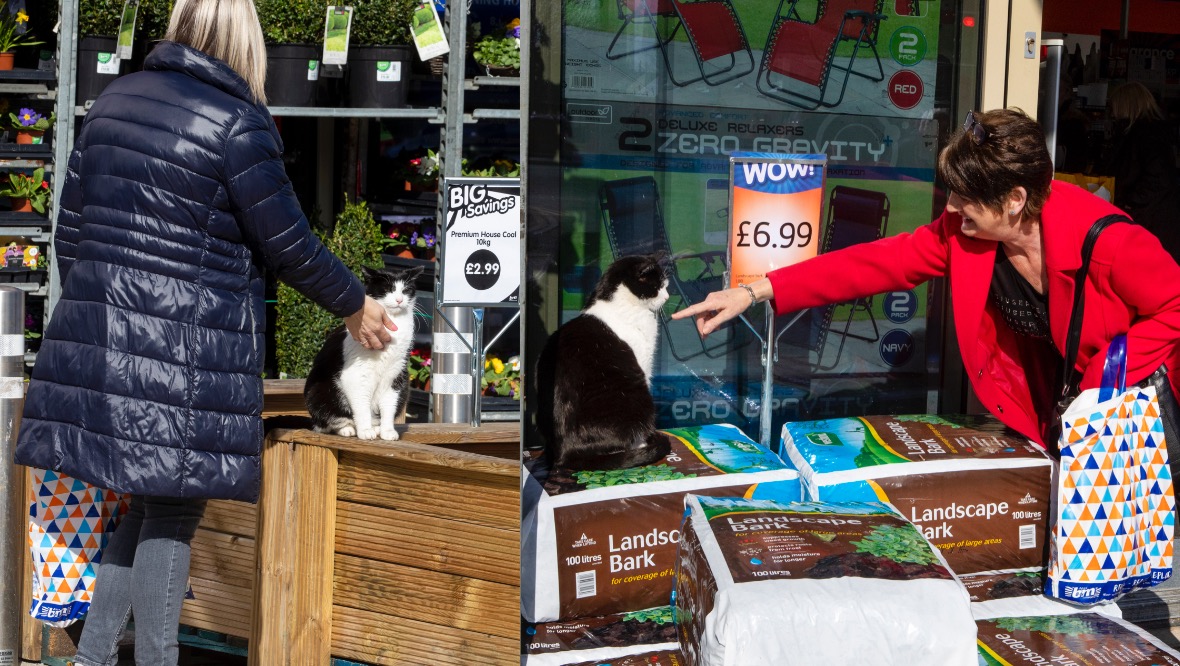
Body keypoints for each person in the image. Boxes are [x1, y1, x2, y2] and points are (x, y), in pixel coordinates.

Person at [12, 0, 397, 663]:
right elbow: (289, 245)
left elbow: (68, 233)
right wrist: (355, 304)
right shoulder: (236, 123)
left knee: (148, 504)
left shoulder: (112, 101)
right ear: (244, 39)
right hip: (182, 352)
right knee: (172, 509)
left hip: (106, 342)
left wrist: (106, 320)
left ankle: (91, 659)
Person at [674, 108, 1180, 453]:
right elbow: (874, 264)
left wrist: (1103, 387)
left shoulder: (1108, 242)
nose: (951, 207)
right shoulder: (965, 234)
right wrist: (756, 289)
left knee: (1134, 547)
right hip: (1063, 420)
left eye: (964, 197)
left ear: (1015, 200)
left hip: (1133, 421)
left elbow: (1174, 306)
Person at [1106, 81, 1180, 263]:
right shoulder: (1154, 132)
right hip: (1157, 217)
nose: (1113, 112)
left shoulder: (1144, 134)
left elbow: (1158, 178)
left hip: (1150, 219)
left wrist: (1131, 202)